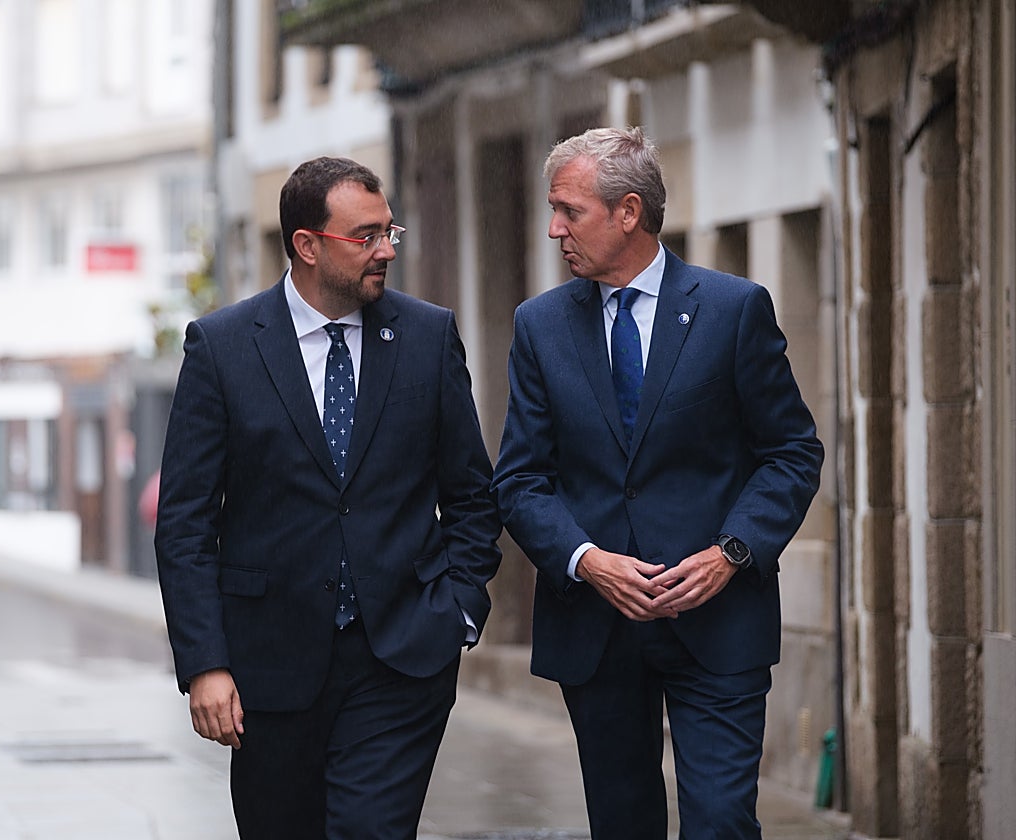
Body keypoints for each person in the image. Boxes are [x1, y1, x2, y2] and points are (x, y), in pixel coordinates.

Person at [154, 156, 502, 839]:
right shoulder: (222, 349)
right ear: (307, 246)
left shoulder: (427, 338)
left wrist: (458, 610)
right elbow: (186, 524)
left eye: (388, 230)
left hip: (402, 657)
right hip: (268, 667)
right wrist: (205, 664)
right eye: (365, 236)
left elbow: (471, 494)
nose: (387, 250)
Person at [491, 127, 824, 840]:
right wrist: (587, 560)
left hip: (718, 620)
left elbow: (792, 451)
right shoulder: (540, 326)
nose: (554, 230)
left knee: (721, 820)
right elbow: (519, 479)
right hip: (596, 628)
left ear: (629, 212)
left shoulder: (734, 310)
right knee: (623, 824)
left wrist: (731, 551)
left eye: (568, 211)